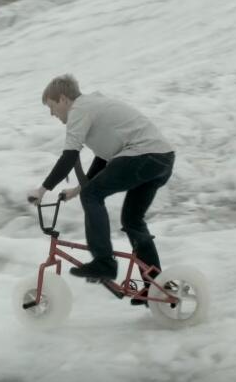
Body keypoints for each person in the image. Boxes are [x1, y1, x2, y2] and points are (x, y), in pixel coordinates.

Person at [27, 74, 175, 305]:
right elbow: (105, 159)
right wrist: (77, 189)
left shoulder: (79, 110)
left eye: (52, 107)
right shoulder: (94, 105)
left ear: (64, 99)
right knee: (132, 220)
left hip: (144, 155)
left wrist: (42, 189)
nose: (52, 114)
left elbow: (69, 156)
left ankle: (104, 262)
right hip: (162, 159)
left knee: (93, 195)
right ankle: (154, 286)